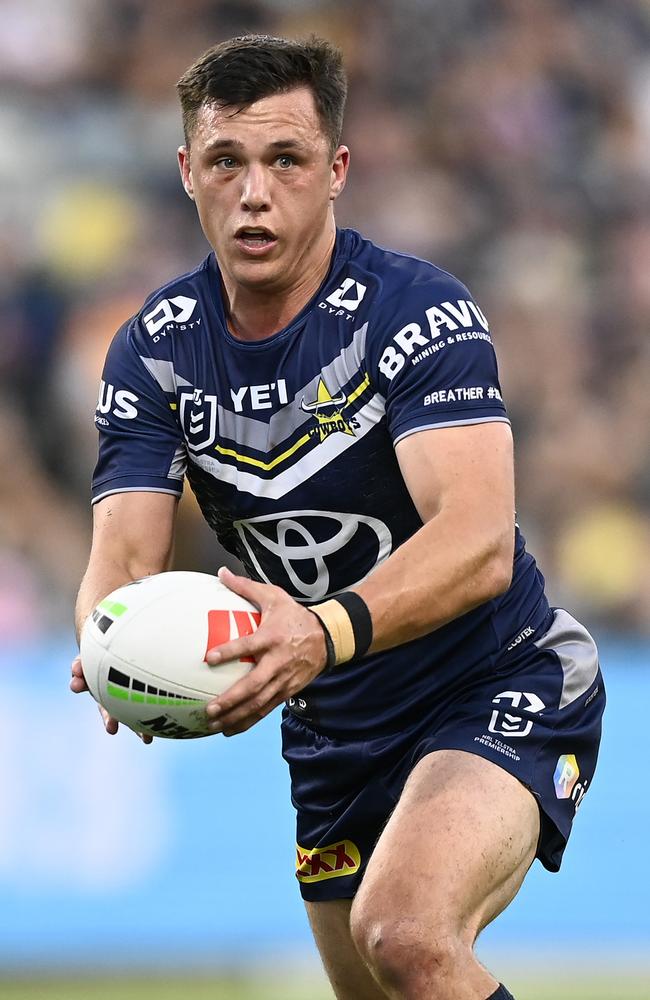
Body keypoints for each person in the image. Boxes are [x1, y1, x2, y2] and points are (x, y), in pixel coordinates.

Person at [70, 34, 605, 1000]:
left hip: (492, 679)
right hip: (331, 728)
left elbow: (478, 543)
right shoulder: (154, 351)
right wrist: (111, 652)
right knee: (378, 985)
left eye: (287, 160)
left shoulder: (416, 312)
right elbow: (123, 558)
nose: (254, 191)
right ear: (187, 170)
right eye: (227, 161)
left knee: (405, 934)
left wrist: (320, 632)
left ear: (338, 171)